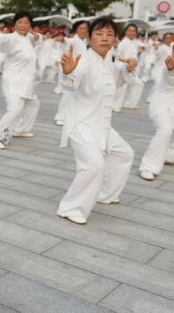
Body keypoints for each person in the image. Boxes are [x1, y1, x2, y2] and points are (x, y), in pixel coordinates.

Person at [57, 18, 136, 225]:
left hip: (102, 126)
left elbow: (116, 81)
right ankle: (71, 207)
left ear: (115, 39)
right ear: (90, 37)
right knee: (93, 165)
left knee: (124, 153)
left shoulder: (109, 61)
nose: (105, 38)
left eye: (109, 34)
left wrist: (128, 68)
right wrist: (68, 73)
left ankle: (106, 194)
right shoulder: (83, 60)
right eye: (99, 34)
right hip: (81, 124)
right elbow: (73, 81)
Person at [0, 12, 40, 150]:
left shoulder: (28, 38)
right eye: (20, 22)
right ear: (15, 24)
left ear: (30, 26)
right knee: (14, 109)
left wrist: (37, 37)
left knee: (33, 104)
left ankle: (21, 129)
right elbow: (1, 40)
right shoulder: (11, 38)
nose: (23, 25)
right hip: (13, 81)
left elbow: (38, 39)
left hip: (27, 82)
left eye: (26, 23)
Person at [139, 34, 174, 181]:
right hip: (162, 104)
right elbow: (168, 80)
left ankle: (169, 154)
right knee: (165, 130)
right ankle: (148, 166)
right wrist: (171, 71)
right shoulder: (168, 67)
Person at [54, 20, 89, 126]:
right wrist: (62, 39)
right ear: (76, 30)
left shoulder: (85, 41)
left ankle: (71, 116)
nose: (83, 31)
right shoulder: (74, 40)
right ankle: (60, 117)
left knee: (77, 95)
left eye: (85, 29)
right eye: (81, 28)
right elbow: (67, 41)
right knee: (67, 94)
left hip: (81, 71)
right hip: (70, 71)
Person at [113, 24, 145, 111]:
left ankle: (130, 103)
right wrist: (128, 61)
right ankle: (115, 106)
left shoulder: (135, 42)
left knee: (138, 84)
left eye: (133, 31)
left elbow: (143, 48)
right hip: (122, 66)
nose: (131, 32)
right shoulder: (123, 43)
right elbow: (118, 57)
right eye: (129, 30)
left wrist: (133, 62)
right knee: (122, 87)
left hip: (132, 67)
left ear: (136, 33)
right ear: (126, 32)